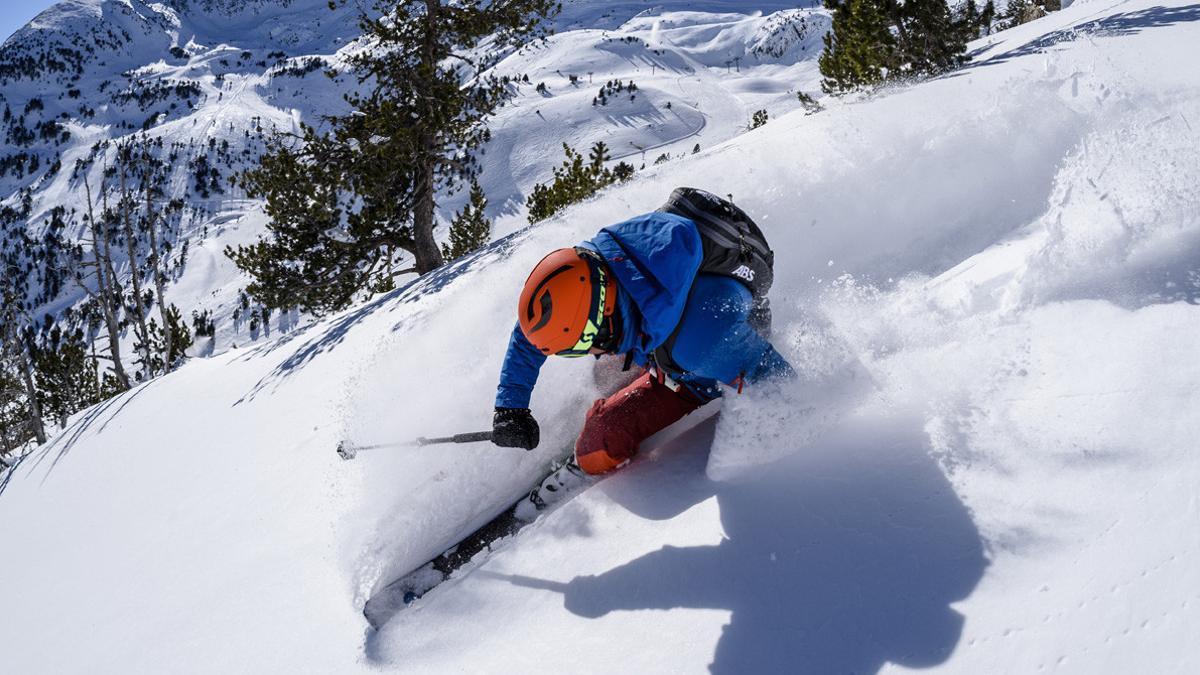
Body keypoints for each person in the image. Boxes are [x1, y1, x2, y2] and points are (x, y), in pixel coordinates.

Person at [491, 188, 794, 482]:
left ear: (603, 316)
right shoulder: (595, 265)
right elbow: (536, 328)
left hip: (707, 354)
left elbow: (783, 388)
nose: (588, 352)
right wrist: (510, 406)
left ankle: (663, 394)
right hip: (676, 320)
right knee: (605, 375)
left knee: (596, 448)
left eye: (583, 345)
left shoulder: (699, 345)